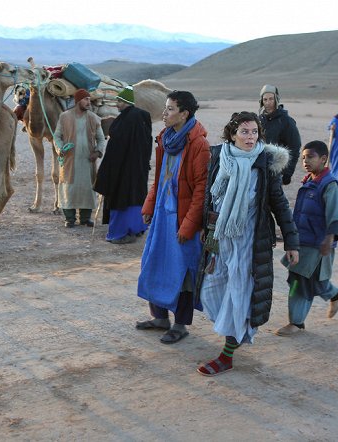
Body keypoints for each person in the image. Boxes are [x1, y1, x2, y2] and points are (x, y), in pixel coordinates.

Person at [195, 111, 299, 376]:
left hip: (248, 243)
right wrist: (203, 229)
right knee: (211, 290)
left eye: (254, 132)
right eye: (244, 132)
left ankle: (226, 354)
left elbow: (280, 205)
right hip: (220, 238)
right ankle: (236, 332)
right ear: (232, 134)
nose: (250, 137)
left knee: (238, 297)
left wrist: (291, 241)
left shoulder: (265, 164)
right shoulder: (220, 158)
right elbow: (210, 197)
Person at [135, 90, 210, 344]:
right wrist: (148, 206)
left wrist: (189, 225)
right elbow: (159, 178)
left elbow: (202, 189)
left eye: (169, 109)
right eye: (165, 108)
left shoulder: (198, 144)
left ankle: (180, 324)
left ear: (184, 114)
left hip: (181, 218)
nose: (164, 113)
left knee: (182, 273)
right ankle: (160, 318)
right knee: (155, 265)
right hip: (162, 216)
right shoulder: (166, 138)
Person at [276, 140, 338, 336]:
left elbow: (337, 214)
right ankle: (335, 294)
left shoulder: (328, 185)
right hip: (303, 241)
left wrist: (329, 239)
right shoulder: (309, 182)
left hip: (317, 245)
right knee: (309, 279)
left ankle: (296, 323)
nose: (305, 161)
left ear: (323, 159)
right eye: (303, 157)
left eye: (311, 157)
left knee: (300, 281)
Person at [93, 86, 153, 244]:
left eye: (119, 101)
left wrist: (107, 171)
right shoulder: (142, 117)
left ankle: (120, 233)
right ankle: (137, 228)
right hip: (138, 168)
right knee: (136, 195)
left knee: (121, 197)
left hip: (123, 169)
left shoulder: (124, 121)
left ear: (126, 102)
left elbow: (116, 148)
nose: (117, 104)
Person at [53, 88, 106, 227]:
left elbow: (101, 139)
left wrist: (98, 152)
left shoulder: (93, 118)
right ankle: (69, 219)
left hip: (87, 160)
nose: (89, 102)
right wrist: (60, 149)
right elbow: (56, 136)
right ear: (78, 101)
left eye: (89, 99)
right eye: (86, 99)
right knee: (68, 188)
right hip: (69, 160)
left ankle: (85, 218)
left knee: (86, 188)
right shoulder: (64, 117)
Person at [258, 84, 302, 185]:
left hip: (276, 171)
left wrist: (287, 173)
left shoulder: (286, 121)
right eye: (265, 100)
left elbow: (295, 147)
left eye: (271, 99)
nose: (268, 103)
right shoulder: (259, 120)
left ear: (276, 99)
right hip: (259, 168)